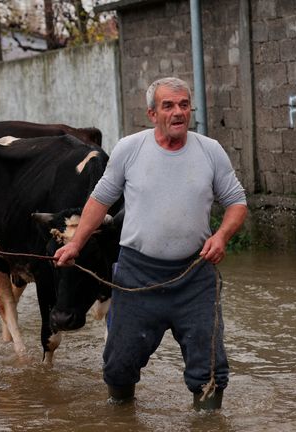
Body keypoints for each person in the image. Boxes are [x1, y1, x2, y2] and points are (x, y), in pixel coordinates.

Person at [54, 77, 247, 410]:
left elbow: (237, 202)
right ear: (152, 113)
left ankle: (208, 422)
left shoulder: (209, 151)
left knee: (211, 371)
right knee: (118, 367)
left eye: (184, 105)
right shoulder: (131, 149)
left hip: (195, 277)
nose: (178, 112)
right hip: (137, 277)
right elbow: (100, 200)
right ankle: (123, 416)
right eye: (168, 105)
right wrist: (75, 245)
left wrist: (221, 236)